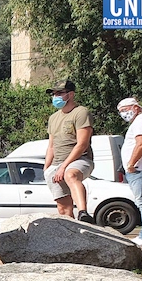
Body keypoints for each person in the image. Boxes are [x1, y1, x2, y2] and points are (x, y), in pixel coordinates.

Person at [44, 79, 95, 223]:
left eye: (60, 93)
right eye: (54, 94)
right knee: (63, 209)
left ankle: (83, 213)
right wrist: (46, 168)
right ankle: (72, 234)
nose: (56, 97)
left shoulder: (81, 112)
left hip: (80, 160)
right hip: (57, 163)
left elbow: (82, 144)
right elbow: (51, 146)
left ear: (71, 94)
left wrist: (64, 166)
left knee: (70, 175)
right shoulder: (53, 118)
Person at [119, 97, 142, 246]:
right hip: (141, 168)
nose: (123, 114)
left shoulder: (141, 120)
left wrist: (131, 163)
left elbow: (141, 144)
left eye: (125, 110)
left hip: (140, 169)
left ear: (135, 107)